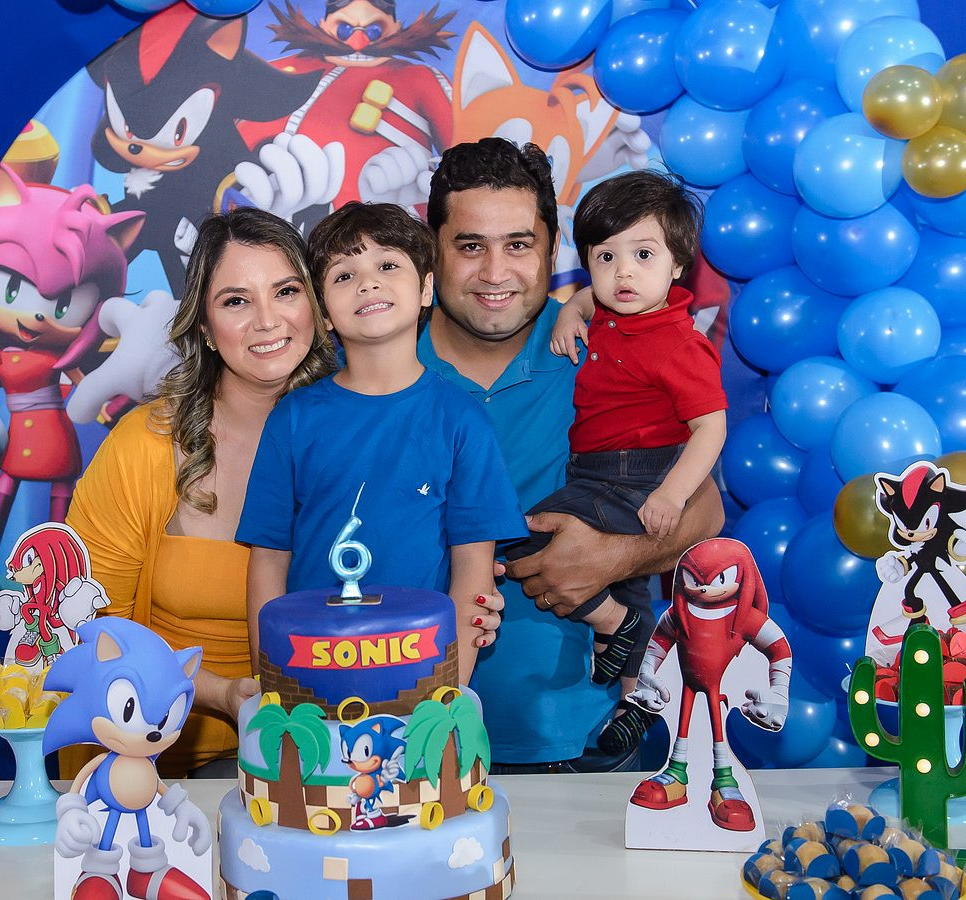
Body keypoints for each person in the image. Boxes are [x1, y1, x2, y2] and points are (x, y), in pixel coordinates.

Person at [418, 138, 725, 771]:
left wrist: (613, 557)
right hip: (400, 734)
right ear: (433, 250)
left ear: (553, 249)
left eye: (519, 245)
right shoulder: (378, 363)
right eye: (470, 246)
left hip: (578, 738)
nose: (495, 272)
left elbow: (707, 511)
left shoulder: (602, 346)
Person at [63, 207, 340, 778]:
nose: (267, 320)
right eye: (236, 301)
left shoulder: (360, 438)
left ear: (317, 307)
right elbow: (89, 627)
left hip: (335, 757)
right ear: (206, 329)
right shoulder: (144, 444)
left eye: (286, 291)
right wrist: (221, 693)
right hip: (153, 763)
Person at [237, 201, 525, 685]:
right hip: (310, 675)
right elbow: (268, 562)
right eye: (344, 275)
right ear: (324, 312)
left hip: (421, 677)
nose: (368, 283)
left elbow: (473, 574)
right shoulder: (292, 418)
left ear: (426, 287)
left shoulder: (463, 420)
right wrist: (274, 685)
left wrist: (446, 696)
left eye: (388, 266)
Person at [518, 168, 727, 757]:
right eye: (605, 257)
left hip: (639, 470)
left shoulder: (678, 343)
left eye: (643, 255)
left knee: (533, 537)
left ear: (678, 264)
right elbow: (592, 296)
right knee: (629, 585)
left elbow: (711, 427)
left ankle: (614, 627)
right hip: (593, 465)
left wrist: (671, 495)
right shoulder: (610, 307)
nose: (623, 273)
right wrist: (570, 311)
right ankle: (637, 695)